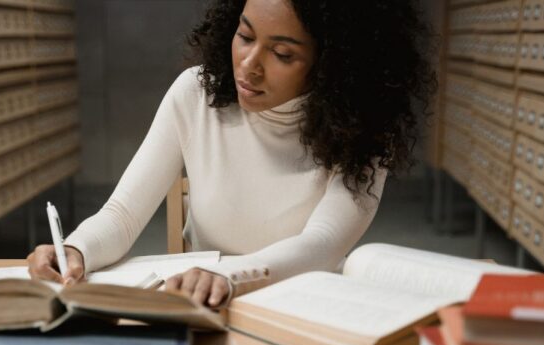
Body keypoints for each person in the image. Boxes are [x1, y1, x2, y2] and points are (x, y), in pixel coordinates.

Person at [28, 0, 436, 306]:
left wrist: (227, 277)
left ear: (333, 65)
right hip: (206, 310)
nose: (249, 65)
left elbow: (323, 243)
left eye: (282, 54)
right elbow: (123, 214)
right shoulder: (196, 94)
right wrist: (76, 250)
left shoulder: (365, 132)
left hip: (303, 309)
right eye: (244, 36)